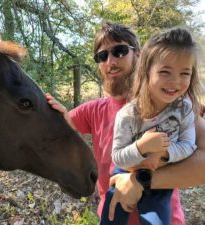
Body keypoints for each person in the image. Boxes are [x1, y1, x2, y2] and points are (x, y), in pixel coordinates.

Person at [46, 22, 187, 224]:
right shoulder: (92, 110)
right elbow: (62, 123)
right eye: (102, 56)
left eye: (119, 51)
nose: (110, 62)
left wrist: (140, 181)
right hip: (111, 216)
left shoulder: (167, 101)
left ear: (138, 54)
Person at [100, 27, 202, 225]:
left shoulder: (186, 109)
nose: (175, 81)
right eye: (165, 72)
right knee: (111, 216)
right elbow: (118, 157)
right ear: (146, 71)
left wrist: (163, 154)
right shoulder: (128, 115)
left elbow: (189, 145)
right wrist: (143, 147)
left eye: (185, 73)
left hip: (162, 177)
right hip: (126, 172)